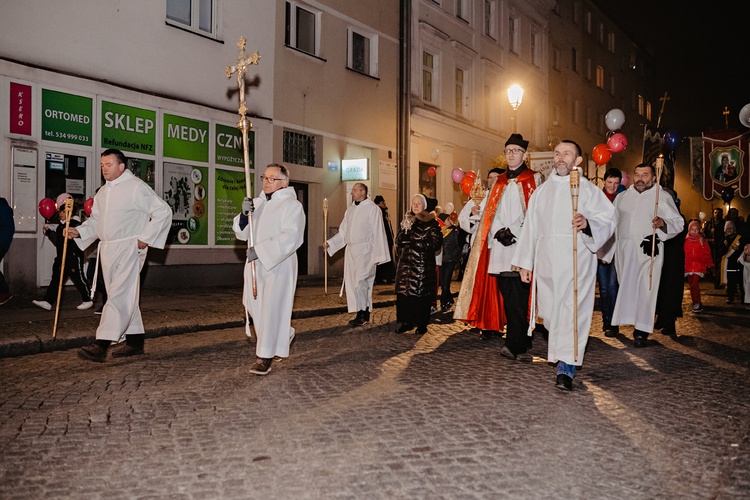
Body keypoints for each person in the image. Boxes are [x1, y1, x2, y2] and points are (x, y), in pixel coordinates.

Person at [513, 140, 617, 391]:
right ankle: (562, 356)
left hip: (576, 262)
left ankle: (566, 368)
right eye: (557, 153)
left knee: (572, 314)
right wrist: (525, 263)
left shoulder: (589, 190)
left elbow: (609, 218)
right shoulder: (542, 192)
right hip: (548, 263)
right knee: (550, 316)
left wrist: (588, 223)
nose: (560, 158)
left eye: (566, 154)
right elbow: (531, 229)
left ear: (577, 161)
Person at [66, 149, 172, 362]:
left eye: (109, 164)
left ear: (121, 166)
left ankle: (101, 344)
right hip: (108, 249)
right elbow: (97, 221)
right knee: (123, 293)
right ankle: (135, 341)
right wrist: (81, 231)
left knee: (119, 295)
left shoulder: (136, 188)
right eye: (102, 165)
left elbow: (163, 211)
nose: (104, 168)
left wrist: (146, 237)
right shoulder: (103, 192)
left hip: (129, 248)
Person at [233, 163, 305, 375]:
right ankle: (284, 334)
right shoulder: (257, 203)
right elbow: (241, 233)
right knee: (254, 306)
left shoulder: (292, 206)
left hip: (278, 265)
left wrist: (263, 251)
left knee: (271, 309)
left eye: (271, 179)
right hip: (255, 264)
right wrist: (245, 215)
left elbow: (292, 236)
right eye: (264, 177)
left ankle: (264, 357)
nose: (265, 181)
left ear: (284, 182)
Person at [609, 163, 684, 348]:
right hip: (624, 250)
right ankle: (623, 320)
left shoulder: (662, 196)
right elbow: (611, 223)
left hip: (648, 250)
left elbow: (678, 222)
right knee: (626, 287)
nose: (640, 178)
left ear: (654, 178)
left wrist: (663, 222)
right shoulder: (622, 197)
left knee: (646, 289)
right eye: (637, 174)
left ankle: (641, 331)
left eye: (645, 174)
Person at [486, 134, 542, 362]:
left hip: (522, 247)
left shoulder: (534, 180)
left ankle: (515, 342)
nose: (511, 154)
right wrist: (499, 230)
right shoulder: (498, 181)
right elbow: (491, 212)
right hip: (501, 247)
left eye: (516, 150)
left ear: (524, 155)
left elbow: (535, 213)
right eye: (508, 150)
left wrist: (516, 233)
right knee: (508, 294)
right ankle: (521, 338)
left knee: (518, 296)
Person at [326, 183, 391, 327]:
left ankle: (363, 312)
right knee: (354, 282)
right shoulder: (350, 210)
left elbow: (378, 231)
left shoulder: (373, 209)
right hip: (351, 251)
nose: (351, 193)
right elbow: (343, 232)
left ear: (362, 192)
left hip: (366, 250)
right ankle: (362, 311)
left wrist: (379, 255)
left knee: (361, 282)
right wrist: (331, 243)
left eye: (354, 190)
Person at [454, 167, 506, 340]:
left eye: (496, 177)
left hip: (499, 246)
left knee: (499, 288)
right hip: (480, 246)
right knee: (482, 286)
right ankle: (484, 322)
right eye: (489, 177)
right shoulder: (479, 195)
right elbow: (462, 219)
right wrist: (471, 213)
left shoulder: (505, 195)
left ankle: (500, 320)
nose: (492, 180)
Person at [32, 193, 92, 311]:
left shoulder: (75, 225)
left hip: (73, 257)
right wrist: (49, 233)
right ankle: (48, 301)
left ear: (69, 212)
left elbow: (79, 239)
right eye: (59, 212)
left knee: (79, 278)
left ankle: (87, 299)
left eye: (62, 212)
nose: (60, 214)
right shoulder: (61, 226)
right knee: (56, 279)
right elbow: (58, 241)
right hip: (61, 257)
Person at [394, 194, 443, 334]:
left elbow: (436, 243)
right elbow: (399, 241)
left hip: (422, 268)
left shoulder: (432, 223)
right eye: (413, 203)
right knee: (405, 296)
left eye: (419, 203)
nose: (415, 206)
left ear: (424, 206)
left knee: (421, 297)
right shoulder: (407, 221)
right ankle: (406, 322)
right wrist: (402, 238)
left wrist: (416, 243)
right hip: (405, 267)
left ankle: (422, 324)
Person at [654, 188, 687, 337]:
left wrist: (664, 224)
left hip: (672, 261)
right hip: (659, 258)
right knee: (658, 290)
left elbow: (677, 231)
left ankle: (669, 322)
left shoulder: (680, 218)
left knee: (671, 292)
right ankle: (660, 317)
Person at [596, 168, 622, 337]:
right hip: (600, 248)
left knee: (613, 287)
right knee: (604, 288)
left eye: (616, 183)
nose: (612, 186)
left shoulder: (622, 199)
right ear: (604, 181)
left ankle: (613, 322)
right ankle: (606, 320)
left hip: (617, 248)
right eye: (610, 182)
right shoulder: (597, 198)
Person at [683, 220, 715, 313]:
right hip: (688, 267)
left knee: (695, 283)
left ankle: (697, 302)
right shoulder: (685, 242)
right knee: (691, 284)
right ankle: (695, 301)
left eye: (696, 229)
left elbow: (707, 255)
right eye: (692, 229)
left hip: (698, 266)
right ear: (689, 230)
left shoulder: (702, 242)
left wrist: (711, 265)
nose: (694, 231)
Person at [437, 212, 460, 311]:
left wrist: (452, 256)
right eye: (447, 219)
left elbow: (458, 246)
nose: (450, 221)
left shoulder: (454, 231)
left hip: (450, 260)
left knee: (446, 283)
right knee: (443, 283)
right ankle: (449, 300)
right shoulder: (440, 232)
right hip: (441, 260)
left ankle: (443, 303)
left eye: (450, 219)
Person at [373, 195, 396, 284]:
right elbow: (385, 228)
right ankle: (386, 277)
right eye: (384, 202)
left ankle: (381, 278)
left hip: (383, 239)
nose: (385, 204)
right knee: (386, 258)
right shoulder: (380, 212)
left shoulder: (380, 212)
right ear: (380, 203)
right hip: (385, 239)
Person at [721, 220, 744, 304]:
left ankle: (743, 297)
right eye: (727, 229)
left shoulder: (739, 238)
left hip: (738, 264)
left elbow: (743, 250)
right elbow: (722, 253)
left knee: (741, 281)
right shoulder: (724, 240)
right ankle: (730, 296)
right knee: (731, 282)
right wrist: (725, 245)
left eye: (731, 228)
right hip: (729, 264)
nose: (730, 230)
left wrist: (739, 249)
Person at [702, 207, 725, 288]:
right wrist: (710, 237)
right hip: (711, 247)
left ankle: (718, 280)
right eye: (715, 213)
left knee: (719, 264)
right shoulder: (709, 224)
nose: (717, 214)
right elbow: (703, 235)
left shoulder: (724, 223)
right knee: (711, 263)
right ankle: (712, 277)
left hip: (720, 247)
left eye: (718, 213)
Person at [0, 197, 15, 305]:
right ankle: (4, 292)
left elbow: (7, 228)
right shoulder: (4, 208)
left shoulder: (2, 208)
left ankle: (4, 292)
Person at [739, 244, 750, 309]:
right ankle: (748, 302)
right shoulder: (747, 246)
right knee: (747, 284)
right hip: (747, 267)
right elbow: (741, 258)